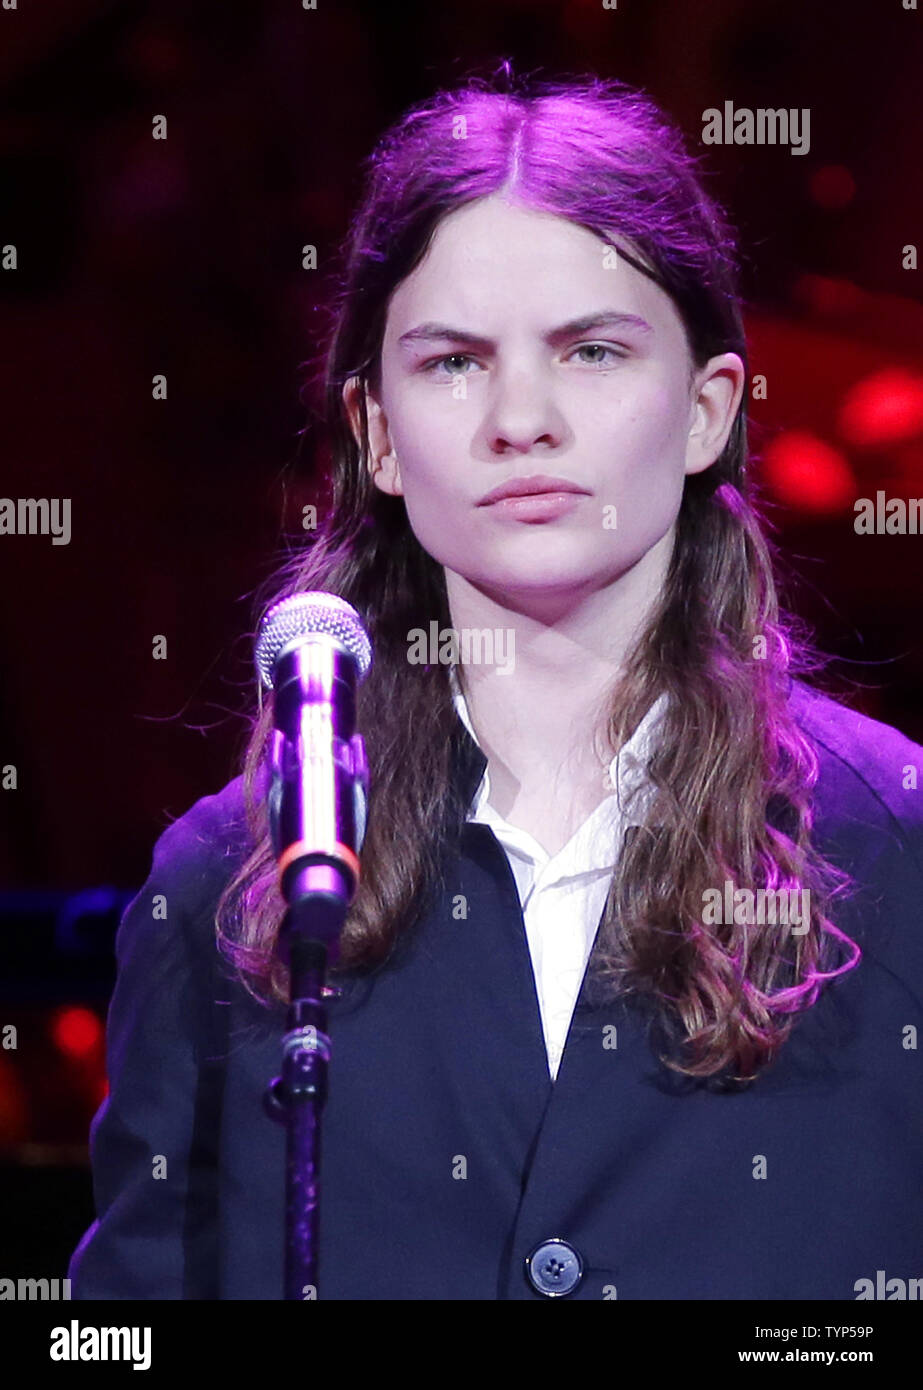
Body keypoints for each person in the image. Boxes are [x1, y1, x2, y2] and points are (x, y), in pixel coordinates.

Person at [69, 66, 923, 1301]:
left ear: (704, 409)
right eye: (453, 363)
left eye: (589, 350)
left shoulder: (893, 844)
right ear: (375, 434)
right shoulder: (234, 886)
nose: (520, 418)